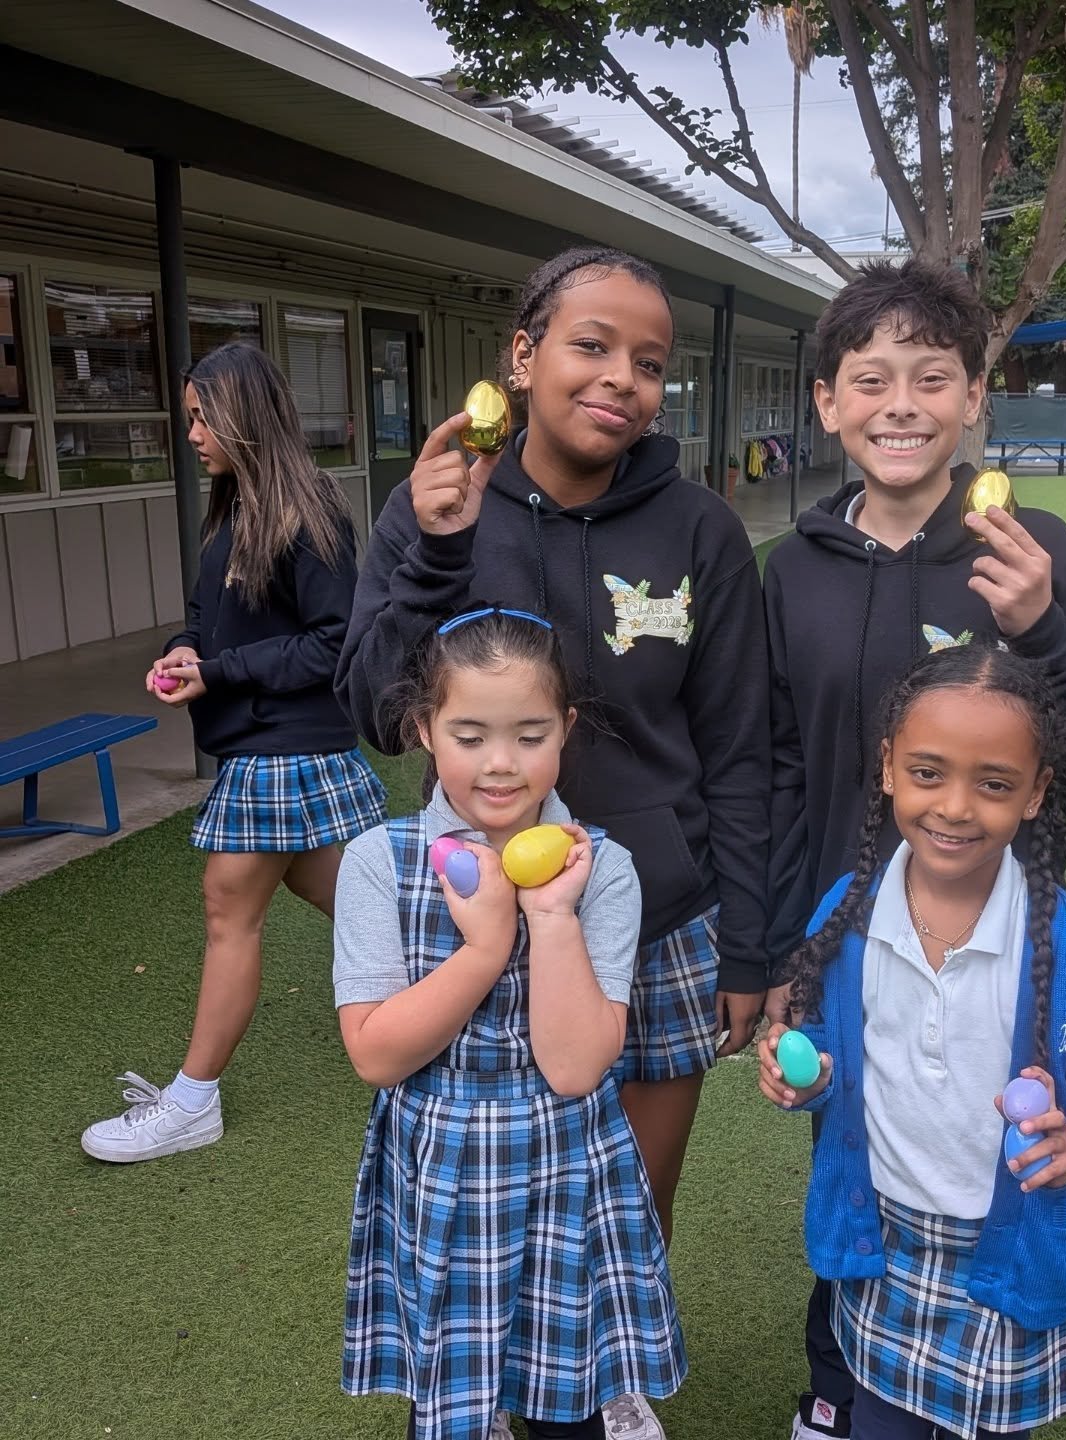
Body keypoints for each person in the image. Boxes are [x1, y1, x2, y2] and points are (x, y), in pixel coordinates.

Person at [337, 247, 767, 1440]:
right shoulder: (437, 502)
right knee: (491, 1196)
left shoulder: (702, 529)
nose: (622, 378)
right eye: (591, 346)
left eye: (649, 363)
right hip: (473, 913)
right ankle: (501, 1390)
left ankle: (606, 1379)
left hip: (664, 916)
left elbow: (739, 746)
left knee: (625, 1197)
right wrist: (432, 552)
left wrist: (751, 946)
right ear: (521, 360)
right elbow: (376, 706)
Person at [763, 257, 1066, 1440]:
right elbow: (775, 764)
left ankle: (991, 1356)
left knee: (968, 1140)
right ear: (826, 400)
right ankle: (839, 1386)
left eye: (932, 377)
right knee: (849, 1153)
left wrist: (1048, 626)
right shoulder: (794, 565)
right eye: (870, 378)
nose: (901, 405)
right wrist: (781, 948)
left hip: (990, 938)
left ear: (973, 397)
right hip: (847, 940)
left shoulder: (1027, 549)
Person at [759, 644, 1066, 1440]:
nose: (955, 807)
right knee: (877, 1426)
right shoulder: (847, 911)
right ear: (887, 768)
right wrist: (804, 1075)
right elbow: (817, 1040)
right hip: (886, 1241)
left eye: (996, 783)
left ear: (1038, 791)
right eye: (928, 772)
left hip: (1008, 1252)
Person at [334, 608, 685, 1439]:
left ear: (565, 729)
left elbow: (574, 1068)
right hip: (440, 1166)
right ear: (424, 730)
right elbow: (375, 1054)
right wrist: (486, 949)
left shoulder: (603, 871)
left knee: (571, 1401)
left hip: (568, 1164)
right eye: (469, 735)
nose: (500, 765)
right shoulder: (377, 862)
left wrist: (551, 916)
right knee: (454, 1392)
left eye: (530, 736)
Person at [80, 342, 386, 1164]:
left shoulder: (311, 506)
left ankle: (192, 1101)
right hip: (266, 744)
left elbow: (332, 644)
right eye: (189, 418)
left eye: (201, 417)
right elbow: (207, 611)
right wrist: (186, 651)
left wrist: (217, 672)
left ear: (245, 417)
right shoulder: (230, 504)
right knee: (373, 905)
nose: (192, 434)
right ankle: (478, 996)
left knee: (230, 911)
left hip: (286, 748)